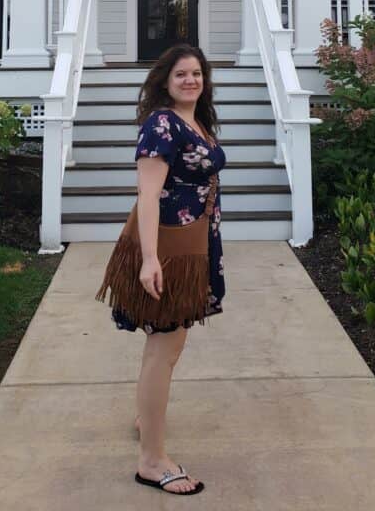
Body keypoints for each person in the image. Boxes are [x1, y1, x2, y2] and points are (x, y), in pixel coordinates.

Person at [113, 43, 226, 496]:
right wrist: (150, 259)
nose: (190, 80)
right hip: (170, 248)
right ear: (164, 81)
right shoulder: (161, 124)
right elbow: (147, 193)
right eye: (181, 74)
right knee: (166, 345)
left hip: (194, 242)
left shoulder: (194, 121)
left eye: (196, 73)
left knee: (166, 347)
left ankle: (147, 418)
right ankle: (152, 461)